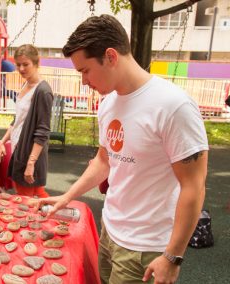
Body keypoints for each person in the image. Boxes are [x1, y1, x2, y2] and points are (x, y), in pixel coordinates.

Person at [36, 15, 209, 284]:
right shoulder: (108, 104)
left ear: (111, 56)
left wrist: (173, 257)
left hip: (145, 247)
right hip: (110, 231)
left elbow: (194, 187)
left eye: (84, 70)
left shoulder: (174, 106)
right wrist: (67, 196)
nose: (83, 81)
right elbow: (104, 161)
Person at [0, 44, 53, 198]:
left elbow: (43, 131)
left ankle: (62, 216)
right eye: (18, 64)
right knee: (37, 193)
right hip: (19, 149)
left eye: (26, 64)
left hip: (29, 152)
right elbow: (18, 119)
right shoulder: (25, 84)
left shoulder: (43, 91)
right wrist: (3, 141)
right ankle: (62, 216)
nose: (21, 69)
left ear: (36, 63)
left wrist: (31, 163)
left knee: (24, 200)